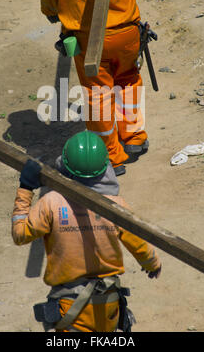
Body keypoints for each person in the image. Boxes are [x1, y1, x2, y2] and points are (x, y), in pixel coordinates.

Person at [41, 0, 156, 176]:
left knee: (98, 96)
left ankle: (112, 156)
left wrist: (57, 15)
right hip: (128, 35)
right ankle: (134, 139)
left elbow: (49, 4)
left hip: (89, 42)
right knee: (129, 81)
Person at [12, 130, 162, 332]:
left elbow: (20, 235)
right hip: (108, 305)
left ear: (63, 164)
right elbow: (139, 243)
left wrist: (25, 188)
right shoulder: (116, 206)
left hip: (69, 308)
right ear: (105, 168)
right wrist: (152, 264)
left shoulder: (51, 203)